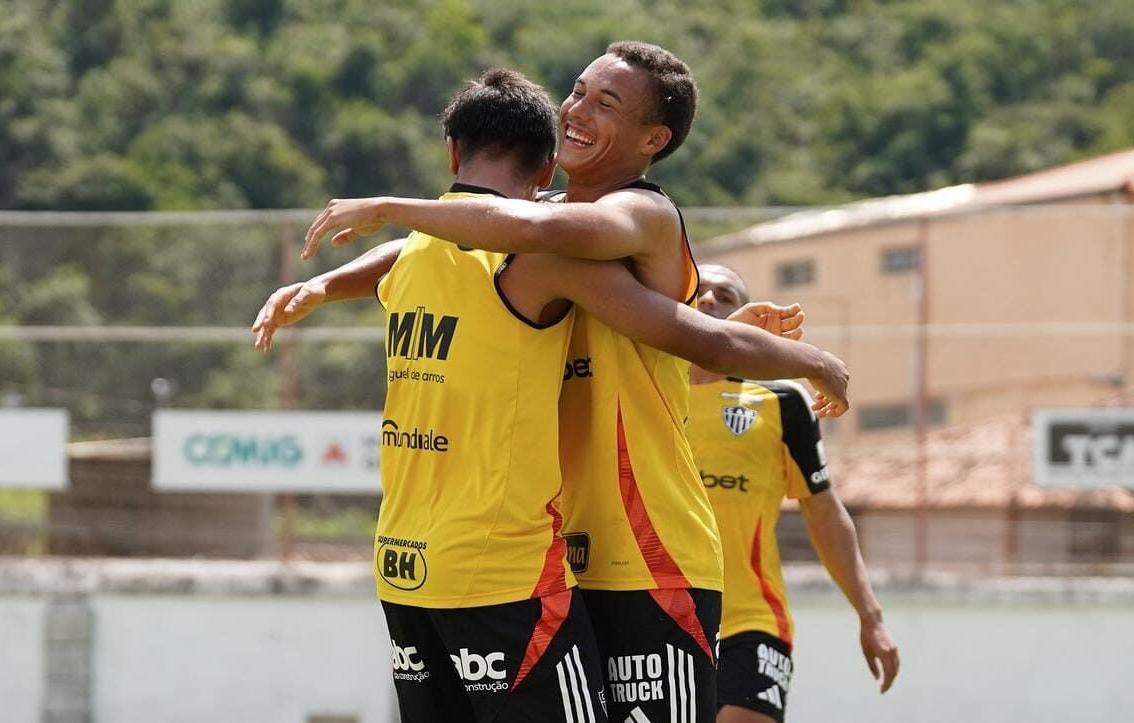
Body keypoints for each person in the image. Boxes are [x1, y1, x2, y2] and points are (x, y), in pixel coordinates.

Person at [255, 66, 849, 723]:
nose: (578, 109)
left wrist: (810, 360)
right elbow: (429, 244)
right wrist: (325, 285)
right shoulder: (526, 227)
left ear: (652, 138)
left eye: (606, 102)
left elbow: (697, 338)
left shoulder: (637, 213)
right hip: (562, 551)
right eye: (577, 92)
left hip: (647, 553)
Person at [685, 264, 899, 722]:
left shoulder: (782, 400)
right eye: (698, 292)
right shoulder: (647, 390)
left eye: (725, 295)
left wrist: (870, 616)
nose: (708, 301)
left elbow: (823, 513)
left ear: (753, 315)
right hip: (659, 614)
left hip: (749, 622)